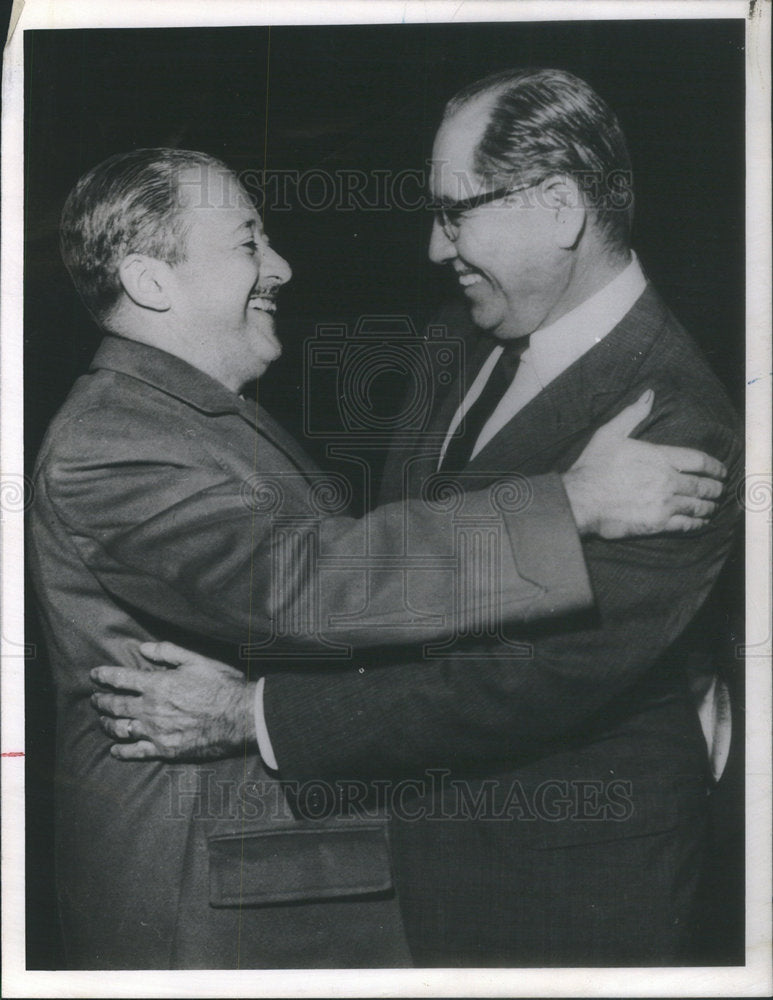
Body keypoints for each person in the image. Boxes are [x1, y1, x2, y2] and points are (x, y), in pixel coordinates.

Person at [91, 69, 742, 967]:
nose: (436, 250)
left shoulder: (678, 423)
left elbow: (514, 685)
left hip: (565, 885)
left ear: (558, 207)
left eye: (453, 212)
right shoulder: (463, 332)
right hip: (406, 856)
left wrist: (255, 712)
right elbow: (387, 566)